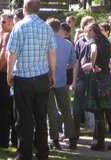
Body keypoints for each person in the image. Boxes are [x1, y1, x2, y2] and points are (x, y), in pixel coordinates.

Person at [7, 0, 56, 160]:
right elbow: (52, 53)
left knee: (24, 118)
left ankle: (25, 153)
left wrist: (9, 74)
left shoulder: (19, 27)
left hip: (23, 77)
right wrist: (53, 73)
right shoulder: (47, 28)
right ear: (39, 9)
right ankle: (43, 152)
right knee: (41, 118)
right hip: (42, 77)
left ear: (24, 8)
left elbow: (12, 54)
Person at [84, 23, 111, 152]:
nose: (87, 34)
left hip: (97, 76)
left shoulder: (94, 41)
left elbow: (93, 51)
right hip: (107, 75)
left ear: (93, 31)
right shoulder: (105, 40)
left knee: (99, 111)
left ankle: (100, 142)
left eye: (88, 32)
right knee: (109, 110)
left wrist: (93, 65)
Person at [46, 18, 77, 150]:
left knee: (51, 110)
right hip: (62, 79)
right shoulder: (68, 44)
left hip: (47, 80)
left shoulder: (45, 42)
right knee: (66, 110)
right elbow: (72, 62)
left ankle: (55, 139)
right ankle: (72, 139)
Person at [0, 11, 17, 148]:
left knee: (2, 109)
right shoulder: (9, 34)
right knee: (12, 108)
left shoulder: (8, 35)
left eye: (3, 22)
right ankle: (14, 139)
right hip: (13, 74)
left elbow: (3, 56)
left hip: (3, 75)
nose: (0, 24)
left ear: (10, 23)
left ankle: (2, 141)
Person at [72, 16, 96, 140]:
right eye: (89, 23)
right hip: (81, 76)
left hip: (95, 76)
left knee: (96, 104)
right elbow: (76, 62)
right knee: (77, 104)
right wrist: (73, 80)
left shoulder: (98, 40)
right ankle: (74, 133)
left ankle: (97, 132)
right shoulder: (80, 42)